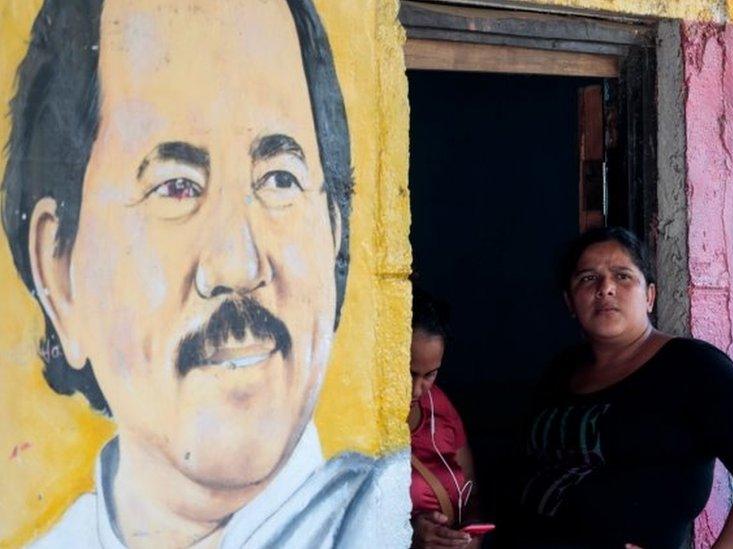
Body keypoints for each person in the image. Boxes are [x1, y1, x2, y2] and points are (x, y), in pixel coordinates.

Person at [2, 0, 409, 547]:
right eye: (176, 187)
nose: (239, 266)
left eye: (279, 179)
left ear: (333, 232)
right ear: (60, 273)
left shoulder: (380, 521)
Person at [511, 227, 733, 548]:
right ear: (570, 302)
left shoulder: (694, 366)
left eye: (623, 276)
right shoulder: (561, 370)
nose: (606, 288)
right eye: (587, 278)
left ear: (649, 296)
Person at [409, 289, 483, 548]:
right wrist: (408, 535)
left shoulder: (439, 404)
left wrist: (470, 538)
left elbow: (471, 494)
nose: (417, 389)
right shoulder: (360, 421)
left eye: (430, 374)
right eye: (408, 372)